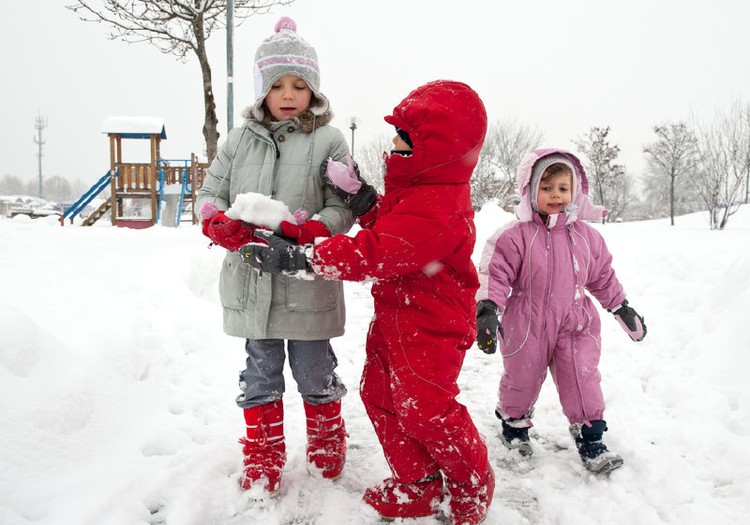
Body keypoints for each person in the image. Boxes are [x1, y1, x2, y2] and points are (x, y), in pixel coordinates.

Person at [241, 80, 495, 525]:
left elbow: (380, 251)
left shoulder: (441, 204)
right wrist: (366, 201)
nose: (392, 144)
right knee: (379, 396)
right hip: (398, 317)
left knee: (428, 410)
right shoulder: (418, 192)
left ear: (435, 149)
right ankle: (418, 482)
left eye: (404, 138)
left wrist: (304, 257)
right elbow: (394, 227)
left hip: (432, 326)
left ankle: (470, 483)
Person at [195, 16, 356, 495]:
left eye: (299, 85)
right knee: (260, 373)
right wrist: (218, 223)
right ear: (261, 88)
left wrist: (312, 230)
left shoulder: (329, 140)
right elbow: (210, 193)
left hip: (306, 281)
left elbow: (344, 204)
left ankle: (327, 439)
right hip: (252, 281)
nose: (288, 94)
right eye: (277, 84)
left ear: (314, 91)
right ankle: (263, 452)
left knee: (314, 369)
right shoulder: (239, 140)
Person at [474, 148, 647, 474]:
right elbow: (494, 274)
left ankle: (591, 437)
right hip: (527, 320)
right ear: (530, 189)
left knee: (582, 377)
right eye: (547, 187)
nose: (555, 195)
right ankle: (514, 426)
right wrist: (487, 309)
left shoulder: (587, 237)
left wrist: (620, 307)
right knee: (522, 377)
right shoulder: (514, 236)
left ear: (576, 192)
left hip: (576, 320)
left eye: (563, 188)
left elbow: (602, 276)